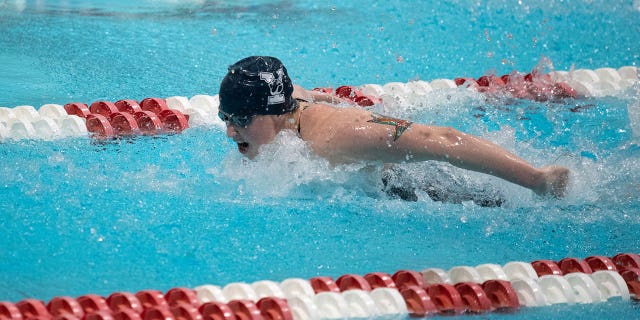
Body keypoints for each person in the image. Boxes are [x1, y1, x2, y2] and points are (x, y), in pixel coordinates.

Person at [218, 56, 570, 199]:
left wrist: (536, 180)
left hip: (428, 192)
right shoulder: (287, 105)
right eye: (227, 118)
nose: (231, 132)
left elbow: (441, 138)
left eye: (241, 120)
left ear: (274, 113)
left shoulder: (337, 139)